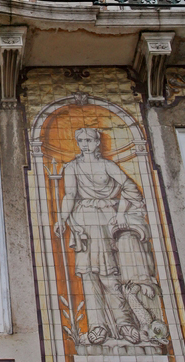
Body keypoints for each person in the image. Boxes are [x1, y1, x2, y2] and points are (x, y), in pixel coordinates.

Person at [54, 127, 158, 345]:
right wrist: (62, 219)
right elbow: (70, 195)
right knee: (89, 275)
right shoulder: (72, 167)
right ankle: (97, 327)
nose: (84, 144)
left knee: (110, 276)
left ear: (97, 142)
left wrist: (120, 214)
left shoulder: (107, 165)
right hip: (84, 221)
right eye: (80, 140)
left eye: (89, 140)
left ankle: (124, 323)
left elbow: (131, 189)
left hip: (107, 220)